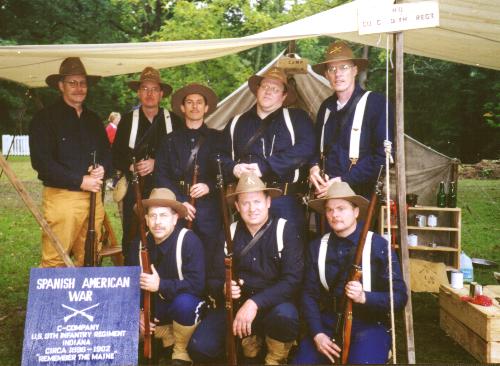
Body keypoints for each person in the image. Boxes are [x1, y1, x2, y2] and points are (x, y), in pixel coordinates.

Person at [188, 173, 304, 365]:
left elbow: (292, 281)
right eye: (245, 203)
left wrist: (254, 303)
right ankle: (248, 344)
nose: (252, 209)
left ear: (268, 202)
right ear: (237, 206)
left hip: (273, 307)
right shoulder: (228, 232)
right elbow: (213, 279)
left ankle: (275, 358)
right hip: (236, 307)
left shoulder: (286, 230)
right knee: (200, 348)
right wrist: (223, 288)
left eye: (257, 202)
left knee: (286, 316)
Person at [293, 181, 407, 364]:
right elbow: (308, 294)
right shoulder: (316, 247)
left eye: (341, 208)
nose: (334, 215)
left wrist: (364, 297)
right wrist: (317, 333)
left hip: (370, 323)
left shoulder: (379, 246)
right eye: (329, 210)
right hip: (329, 321)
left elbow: (400, 297)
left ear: (356, 212)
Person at [29, 57, 111, 267]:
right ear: (61, 86)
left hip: (94, 198)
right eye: (72, 83)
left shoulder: (93, 119)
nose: (79, 88)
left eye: (82, 83)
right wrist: (79, 180)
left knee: (91, 256)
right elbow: (42, 163)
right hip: (62, 199)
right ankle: (53, 301)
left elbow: (106, 153)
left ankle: (84, 301)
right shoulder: (44, 118)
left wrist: (102, 168)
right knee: (55, 258)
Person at [218, 66, 315, 232]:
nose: (269, 92)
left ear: (284, 96)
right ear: (257, 90)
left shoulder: (297, 119)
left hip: (284, 200)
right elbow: (218, 155)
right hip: (247, 201)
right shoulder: (236, 123)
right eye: (265, 86)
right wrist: (233, 168)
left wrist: (265, 167)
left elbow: (305, 148)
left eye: (275, 89)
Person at [112, 66, 181, 265]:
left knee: (166, 230)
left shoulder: (174, 121)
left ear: (161, 94)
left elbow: (180, 156)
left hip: (166, 187)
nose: (149, 94)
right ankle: (133, 276)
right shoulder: (126, 121)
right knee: (133, 233)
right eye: (145, 89)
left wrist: (157, 163)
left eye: (154, 90)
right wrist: (131, 166)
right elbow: (115, 155)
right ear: (138, 92)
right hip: (136, 188)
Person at [309, 41, 394, 199]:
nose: (338, 74)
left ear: (355, 70)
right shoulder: (326, 107)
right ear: (326, 75)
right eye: (332, 69)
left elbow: (383, 157)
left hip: (359, 195)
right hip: (325, 196)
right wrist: (313, 167)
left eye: (344, 68)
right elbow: (315, 148)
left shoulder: (376, 103)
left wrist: (344, 181)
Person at [135, 188, 205, 366]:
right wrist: (139, 313)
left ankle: (180, 350)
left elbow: (197, 285)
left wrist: (161, 285)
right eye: (153, 216)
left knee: (185, 305)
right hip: (153, 308)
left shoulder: (189, 240)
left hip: (182, 304)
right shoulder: (137, 244)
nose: (157, 222)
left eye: (164, 215)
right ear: (146, 219)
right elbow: (128, 285)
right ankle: (166, 334)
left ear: (175, 218)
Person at [155, 83, 221, 267]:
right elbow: (161, 175)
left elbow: (228, 172)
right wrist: (179, 202)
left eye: (199, 102)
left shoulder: (218, 139)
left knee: (209, 256)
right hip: (178, 207)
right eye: (190, 102)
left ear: (206, 108)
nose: (195, 106)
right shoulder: (169, 140)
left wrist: (209, 186)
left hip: (209, 209)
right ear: (183, 108)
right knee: (178, 254)